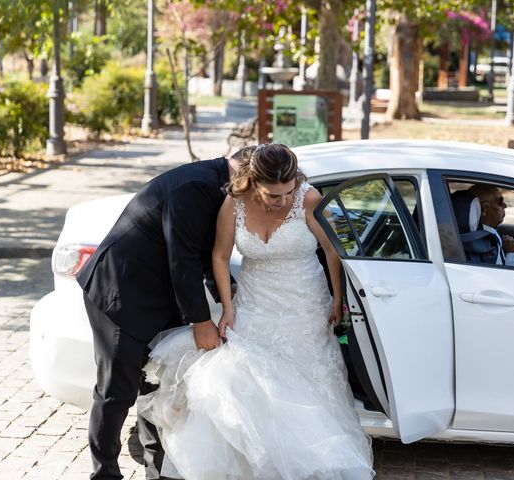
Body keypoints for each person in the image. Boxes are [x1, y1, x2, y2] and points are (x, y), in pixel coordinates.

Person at [138, 143, 375, 480]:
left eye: (287, 192)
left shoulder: (308, 199)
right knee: (246, 387)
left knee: (305, 388)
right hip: (253, 303)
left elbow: (332, 251)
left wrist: (337, 298)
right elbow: (219, 256)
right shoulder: (233, 203)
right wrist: (227, 307)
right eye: (272, 194)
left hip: (304, 306)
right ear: (254, 182)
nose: (281, 200)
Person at [76, 147, 255, 480]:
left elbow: (206, 255)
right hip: (121, 292)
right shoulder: (195, 188)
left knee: (157, 387)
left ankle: (156, 472)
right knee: (116, 391)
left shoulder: (221, 187)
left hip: (159, 296)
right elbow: (182, 259)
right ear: (241, 174)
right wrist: (202, 322)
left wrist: (232, 299)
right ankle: (104, 474)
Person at [468, 184, 514, 268]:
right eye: (500, 202)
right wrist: (512, 255)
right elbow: (506, 279)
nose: (505, 206)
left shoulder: (477, 237)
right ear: (484, 208)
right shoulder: (485, 245)